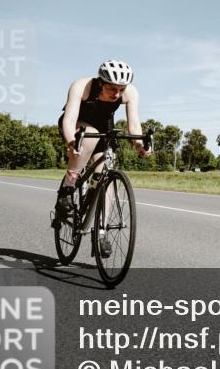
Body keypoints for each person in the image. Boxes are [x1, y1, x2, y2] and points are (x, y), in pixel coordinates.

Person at [53, 60, 150, 254]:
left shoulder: (130, 93)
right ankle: (67, 190)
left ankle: (101, 233)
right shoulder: (82, 86)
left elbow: (134, 124)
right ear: (101, 82)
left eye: (121, 90)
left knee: (105, 174)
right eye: (112, 89)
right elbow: (69, 118)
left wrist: (140, 145)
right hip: (78, 125)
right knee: (88, 140)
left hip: (104, 129)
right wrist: (71, 142)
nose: (117, 94)